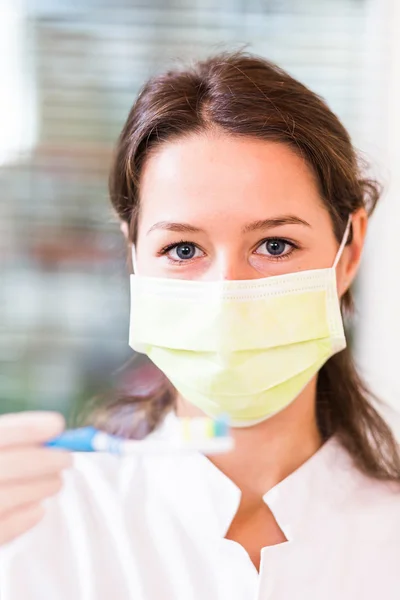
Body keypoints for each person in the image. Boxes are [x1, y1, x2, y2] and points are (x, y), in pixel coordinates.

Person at [1, 51, 400, 600]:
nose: (225, 294)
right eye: (183, 248)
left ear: (349, 250)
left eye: (274, 245)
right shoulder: (36, 529)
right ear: (134, 255)